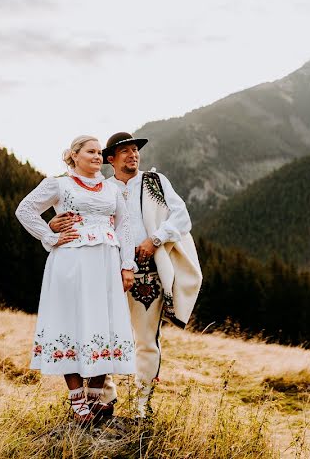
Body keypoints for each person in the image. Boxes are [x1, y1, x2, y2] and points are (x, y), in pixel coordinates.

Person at [49, 131, 202, 418]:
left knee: (145, 340)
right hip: (107, 271)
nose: (133, 155)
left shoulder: (156, 182)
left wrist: (155, 238)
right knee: (104, 335)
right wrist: (54, 225)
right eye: (125, 152)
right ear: (111, 159)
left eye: (135, 150)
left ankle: (142, 405)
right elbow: (78, 213)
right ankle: (104, 400)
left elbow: (181, 217)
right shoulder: (101, 188)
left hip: (148, 274)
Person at [16, 135, 137, 424]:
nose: (97, 156)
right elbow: (24, 210)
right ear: (75, 155)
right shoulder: (59, 184)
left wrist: (127, 266)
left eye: (99, 152)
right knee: (70, 322)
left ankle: (96, 397)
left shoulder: (111, 189)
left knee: (103, 322)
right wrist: (50, 236)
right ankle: (77, 400)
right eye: (91, 152)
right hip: (70, 263)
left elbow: (125, 226)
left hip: (107, 264)